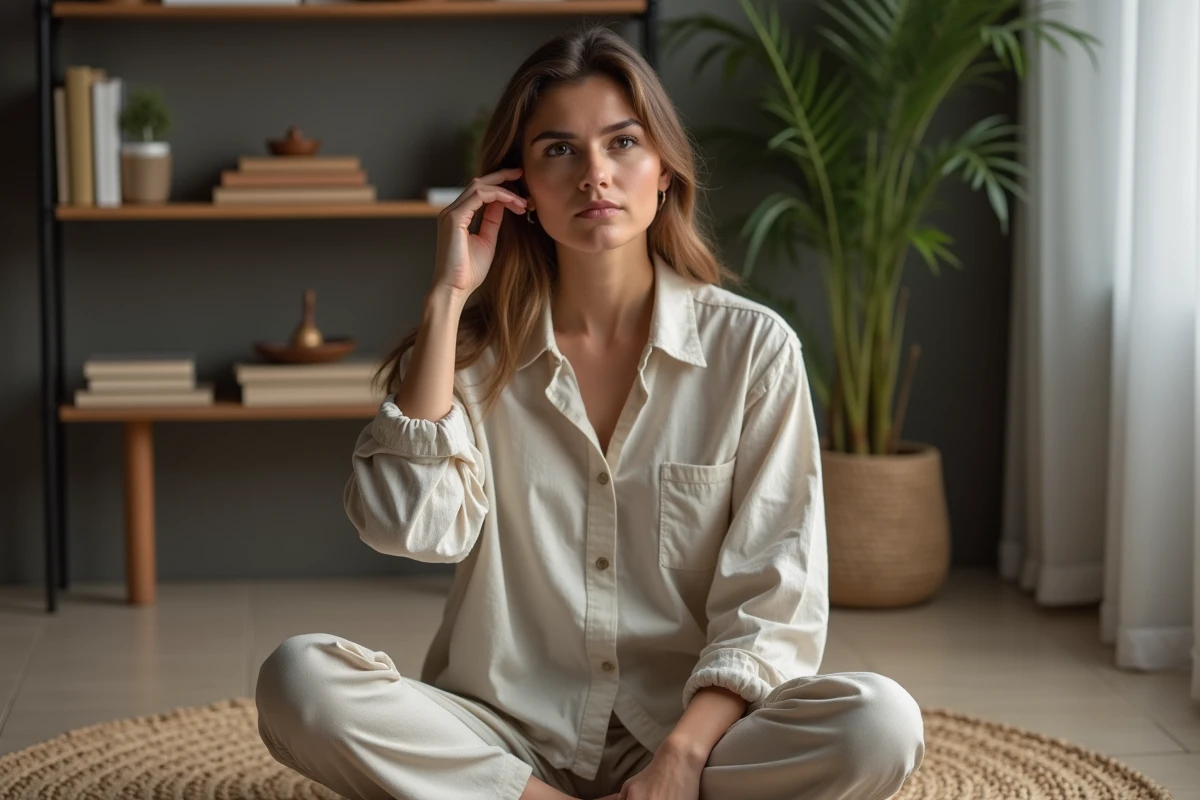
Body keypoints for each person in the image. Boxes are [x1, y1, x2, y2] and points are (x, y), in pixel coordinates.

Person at [254, 25, 925, 800]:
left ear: (665, 171)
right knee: (299, 681)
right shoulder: (466, 358)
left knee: (881, 723)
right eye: (558, 151)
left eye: (622, 144)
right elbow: (408, 528)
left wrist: (680, 759)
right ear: (520, 188)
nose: (594, 176)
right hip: (504, 735)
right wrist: (446, 299)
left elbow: (774, 595)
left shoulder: (753, 351)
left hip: (694, 743)